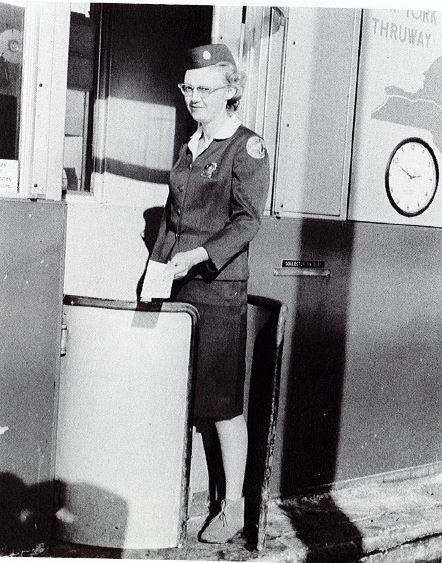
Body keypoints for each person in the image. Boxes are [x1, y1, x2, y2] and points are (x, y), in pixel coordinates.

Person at [150, 43, 269, 543]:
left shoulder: (246, 147)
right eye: (188, 88)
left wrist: (197, 257)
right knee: (177, 395)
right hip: (178, 286)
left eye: (204, 88)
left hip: (218, 289)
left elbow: (248, 222)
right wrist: (155, 270)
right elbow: (172, 218)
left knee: (222, 404)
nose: (193, 97)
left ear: (230, 91)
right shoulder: (191, 145)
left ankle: (233, 507)